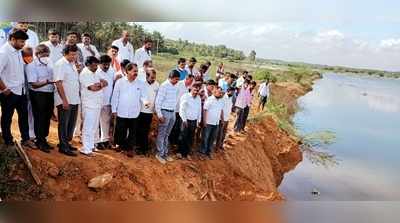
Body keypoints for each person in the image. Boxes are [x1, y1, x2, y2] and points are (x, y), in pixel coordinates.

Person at [0, 30, 36, 148]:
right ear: (13, 39)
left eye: (24, 42)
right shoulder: (4, 52)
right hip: (9, 92)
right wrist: (4, 89)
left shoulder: (19, 51)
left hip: (21, 91)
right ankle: (7, 140)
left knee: (23, 116)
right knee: (7, 117)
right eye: (21, 41)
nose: (23, 44)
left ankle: (25, 139)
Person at [111, 63, 149, 158]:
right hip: (121, 111)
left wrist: (145, 102)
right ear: (127, 71)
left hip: (134, 112)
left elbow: (143, 96)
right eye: (134, 71)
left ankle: (130, 148)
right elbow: (115, 96)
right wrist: (114, 109)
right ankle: (119, 145)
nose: (136, 73)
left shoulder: (140, 83)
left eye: (137, 71)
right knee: (121, 130)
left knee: (132, 132)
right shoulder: (120, 82)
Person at [26, 44, 55, 152]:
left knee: (47, 116)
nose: (46, 57)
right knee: (39, 117)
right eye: (43, 55)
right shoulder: (31, 66)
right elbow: (33, 84)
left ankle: (44, 138)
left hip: (49, 92)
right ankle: (40, 141)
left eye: (47, 55)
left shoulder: (50, 63)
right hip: (38, 94)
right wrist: (47, 81)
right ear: (37, 55)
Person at [54, 44, 81, 156]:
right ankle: (63, 146)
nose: (74, 56)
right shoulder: (60, 64)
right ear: (65, 54)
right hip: (65, 99)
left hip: (74, 99)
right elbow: (58, 82)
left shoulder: (72, 64)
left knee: (71, 123)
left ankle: (66, 142)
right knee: (64, 123)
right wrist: (64, 100)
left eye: (76, 54)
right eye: (72, 54)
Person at [79, 56, 107, 156]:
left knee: (94, 127)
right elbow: (92, 88)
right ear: (88, 64)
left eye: (97, 64)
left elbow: (105, 82)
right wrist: (100, 85)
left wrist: (99, 84)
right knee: (88, 127)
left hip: (97, 103)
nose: (96, 67)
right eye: (94, 65)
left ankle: (90, 146)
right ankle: (85, 149)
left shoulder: (96, 73)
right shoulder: (85, 73)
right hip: (89, 104)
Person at [154, 69, 181, 164]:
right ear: (171, 78)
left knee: (167, 134)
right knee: (161, 134)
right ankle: (159, 154)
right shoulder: (164, 86)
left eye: (178, 79)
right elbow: (158, 101)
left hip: (172, 112)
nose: (177, 81)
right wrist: (159, 114)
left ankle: (165, 153)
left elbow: (176, 99)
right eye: (176, 79)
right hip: (164, 112)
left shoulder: (176, 86)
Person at [136, 68, 159, 155]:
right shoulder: (141, 84)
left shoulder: (157, 85)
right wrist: (144, 101)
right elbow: (140, 96)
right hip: (140, 110)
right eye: (152, 77)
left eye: (154, 77)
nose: (153, 79)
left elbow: (157, 98)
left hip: (150, 112)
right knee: (139, 130)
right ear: (146, 76)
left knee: (145, 130)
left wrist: (156, 110)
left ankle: (144, 148)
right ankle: (138, 147)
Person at [177, 83, 202, 160]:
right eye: (195, 89)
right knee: (183, 136)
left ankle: (187, 153)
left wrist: (198, 121)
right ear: (191, 88)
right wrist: (184, 120)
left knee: (190, 137)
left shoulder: (198, 98)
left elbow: (199, 110)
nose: (196, 91)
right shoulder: (185, 96)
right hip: (185, 120)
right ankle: (180, 152)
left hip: (194, 120)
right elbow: (182, 109)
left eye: (197, 90)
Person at [200, 86, 225, 159]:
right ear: (214, 92)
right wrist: (204, 121)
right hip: (208, 122)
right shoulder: (209, 100)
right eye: (219, 93)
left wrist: (222, 120)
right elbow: (204, 110)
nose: (220, 94)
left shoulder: (221, 101)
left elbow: (221, 110)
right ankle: (203, 153)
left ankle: (209, 152)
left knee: (212, 138)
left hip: (216, 123)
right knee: (205, 137)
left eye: (221, 93)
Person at [169, 74, 194, 146]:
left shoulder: (188, 88)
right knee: (173, 127)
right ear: (187, 78)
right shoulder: (179, 84)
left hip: (182, 111)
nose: (191, 82)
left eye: (192, 81)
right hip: (175, 109)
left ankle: (175, 142)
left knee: (178, 128)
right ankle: (170, 142)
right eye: (191, 80)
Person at [96, 55, 115, 149]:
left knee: (105, 122)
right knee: (95, 122)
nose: (106, 66)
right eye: (104, 65)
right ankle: (96, 141)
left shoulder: (112, 71)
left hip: (107, 101)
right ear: (99, 64)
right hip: (97, 101)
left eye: (108, 64)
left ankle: (105, 140)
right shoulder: (95, 72)